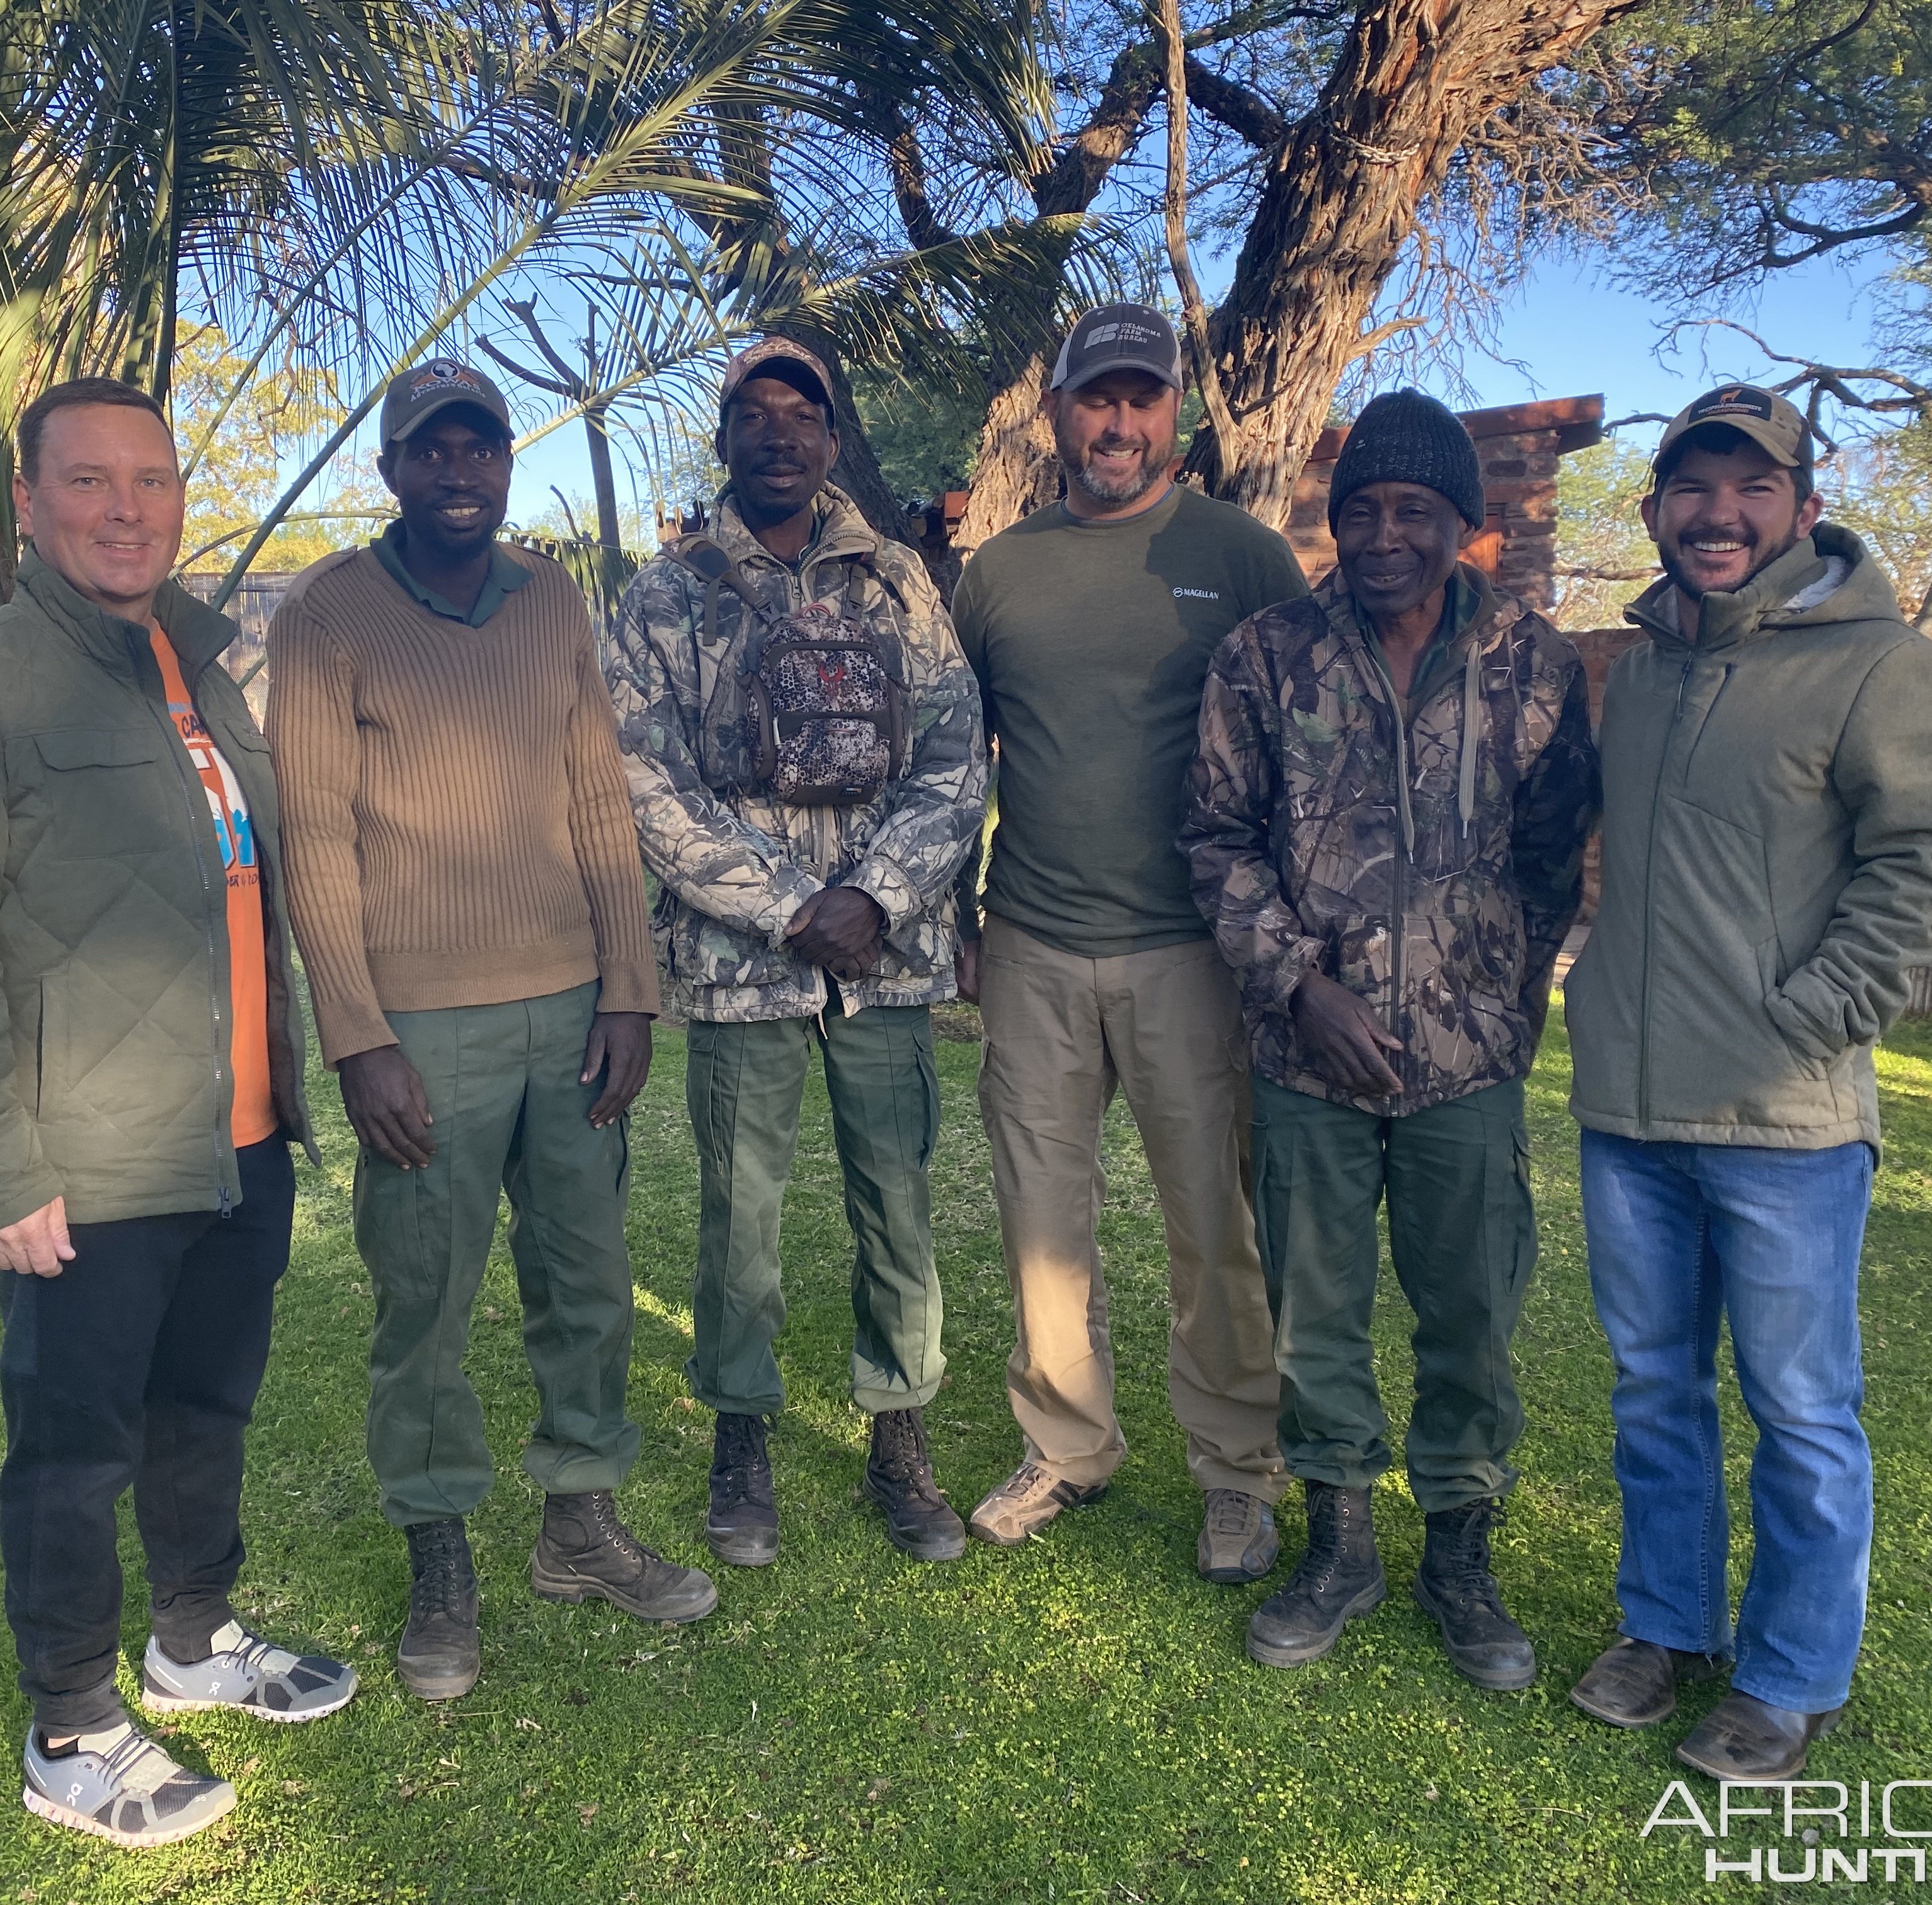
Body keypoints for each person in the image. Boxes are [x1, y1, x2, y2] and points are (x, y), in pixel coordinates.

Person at [0, 376, 352, 1848]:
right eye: (88, 481)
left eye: (150, 479)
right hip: (82, 1159)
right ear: (28, 501)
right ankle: (71, 1722)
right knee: (75, 1449)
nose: (125, 508)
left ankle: (193, 1641)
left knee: (205, 1409)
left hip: (238, 1140)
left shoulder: (197, 666)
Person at [266, 360, 712, 1705]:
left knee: (586, 1280)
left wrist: (628, 986)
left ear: (506, 466)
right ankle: (441, 1552)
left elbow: (595, 797)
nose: (461, 473)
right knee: (429, 1301)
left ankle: (580, 1525)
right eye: (433, 452)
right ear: (393, 469)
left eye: (484, 451)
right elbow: (315, 838)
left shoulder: (550, 598)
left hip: (569, 1008)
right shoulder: (329, 614)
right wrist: (356, 1034)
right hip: (420, 1029)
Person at [1563, 384, 1932, 1779]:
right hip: (1628, 1112)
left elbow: (1929, 855)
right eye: (1692, 488)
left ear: (1804, 505)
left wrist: (1820, 1012)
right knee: (1652, 1389)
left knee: (1801, 1409)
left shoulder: (1878, 661)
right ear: (1654, 510)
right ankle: (1667, 1627)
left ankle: (1791, 1676)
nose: (1718, 514)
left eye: (1751, 488)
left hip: (1784, 1120)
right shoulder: (1645, 666)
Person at [1182, 389, 1599, 1688]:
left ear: (1463, 527)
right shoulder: (1264, 656)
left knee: (1472, 1312)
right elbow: (1213, 839)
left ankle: (1460, 1554)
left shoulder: (1535, 663)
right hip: (1308, 1058)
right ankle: (1342, 1544)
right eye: (1359, 509)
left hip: (1466, 1070)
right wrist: (1302, 986)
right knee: (1316, 1316)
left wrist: (1498, 1008)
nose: (1381, 534)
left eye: (1413, 510)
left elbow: (1553, 860)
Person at [605, 338, 987, 1566]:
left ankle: (901, 1444)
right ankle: (742, 1441)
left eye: (803, 414)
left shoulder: (900, 584)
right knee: (743, 1219)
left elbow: (956, 753)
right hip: (739, 969)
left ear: (832, 438)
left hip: (885, 963)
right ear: (724, 440)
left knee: (899, 1208)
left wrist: (872, 898)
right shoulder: (666, 595)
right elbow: (645, 784)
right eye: (753, 416)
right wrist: (786, 908)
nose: (779, 433)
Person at [950, 304, 1306, 1581]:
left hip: (1194, 953)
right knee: (1043, 1212)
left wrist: (1290, 947)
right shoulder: (997, 574)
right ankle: (1069, 1445)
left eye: (1141, 398)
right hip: (1035, 940)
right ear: (1055, 413)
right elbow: (953, 763)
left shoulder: (1245, 557)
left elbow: (1303, 752)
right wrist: (959, 921)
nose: (1119, 422)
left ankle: (1235, 1472)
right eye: (1096, 399)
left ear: (1174, 413)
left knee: (1215, 1220)